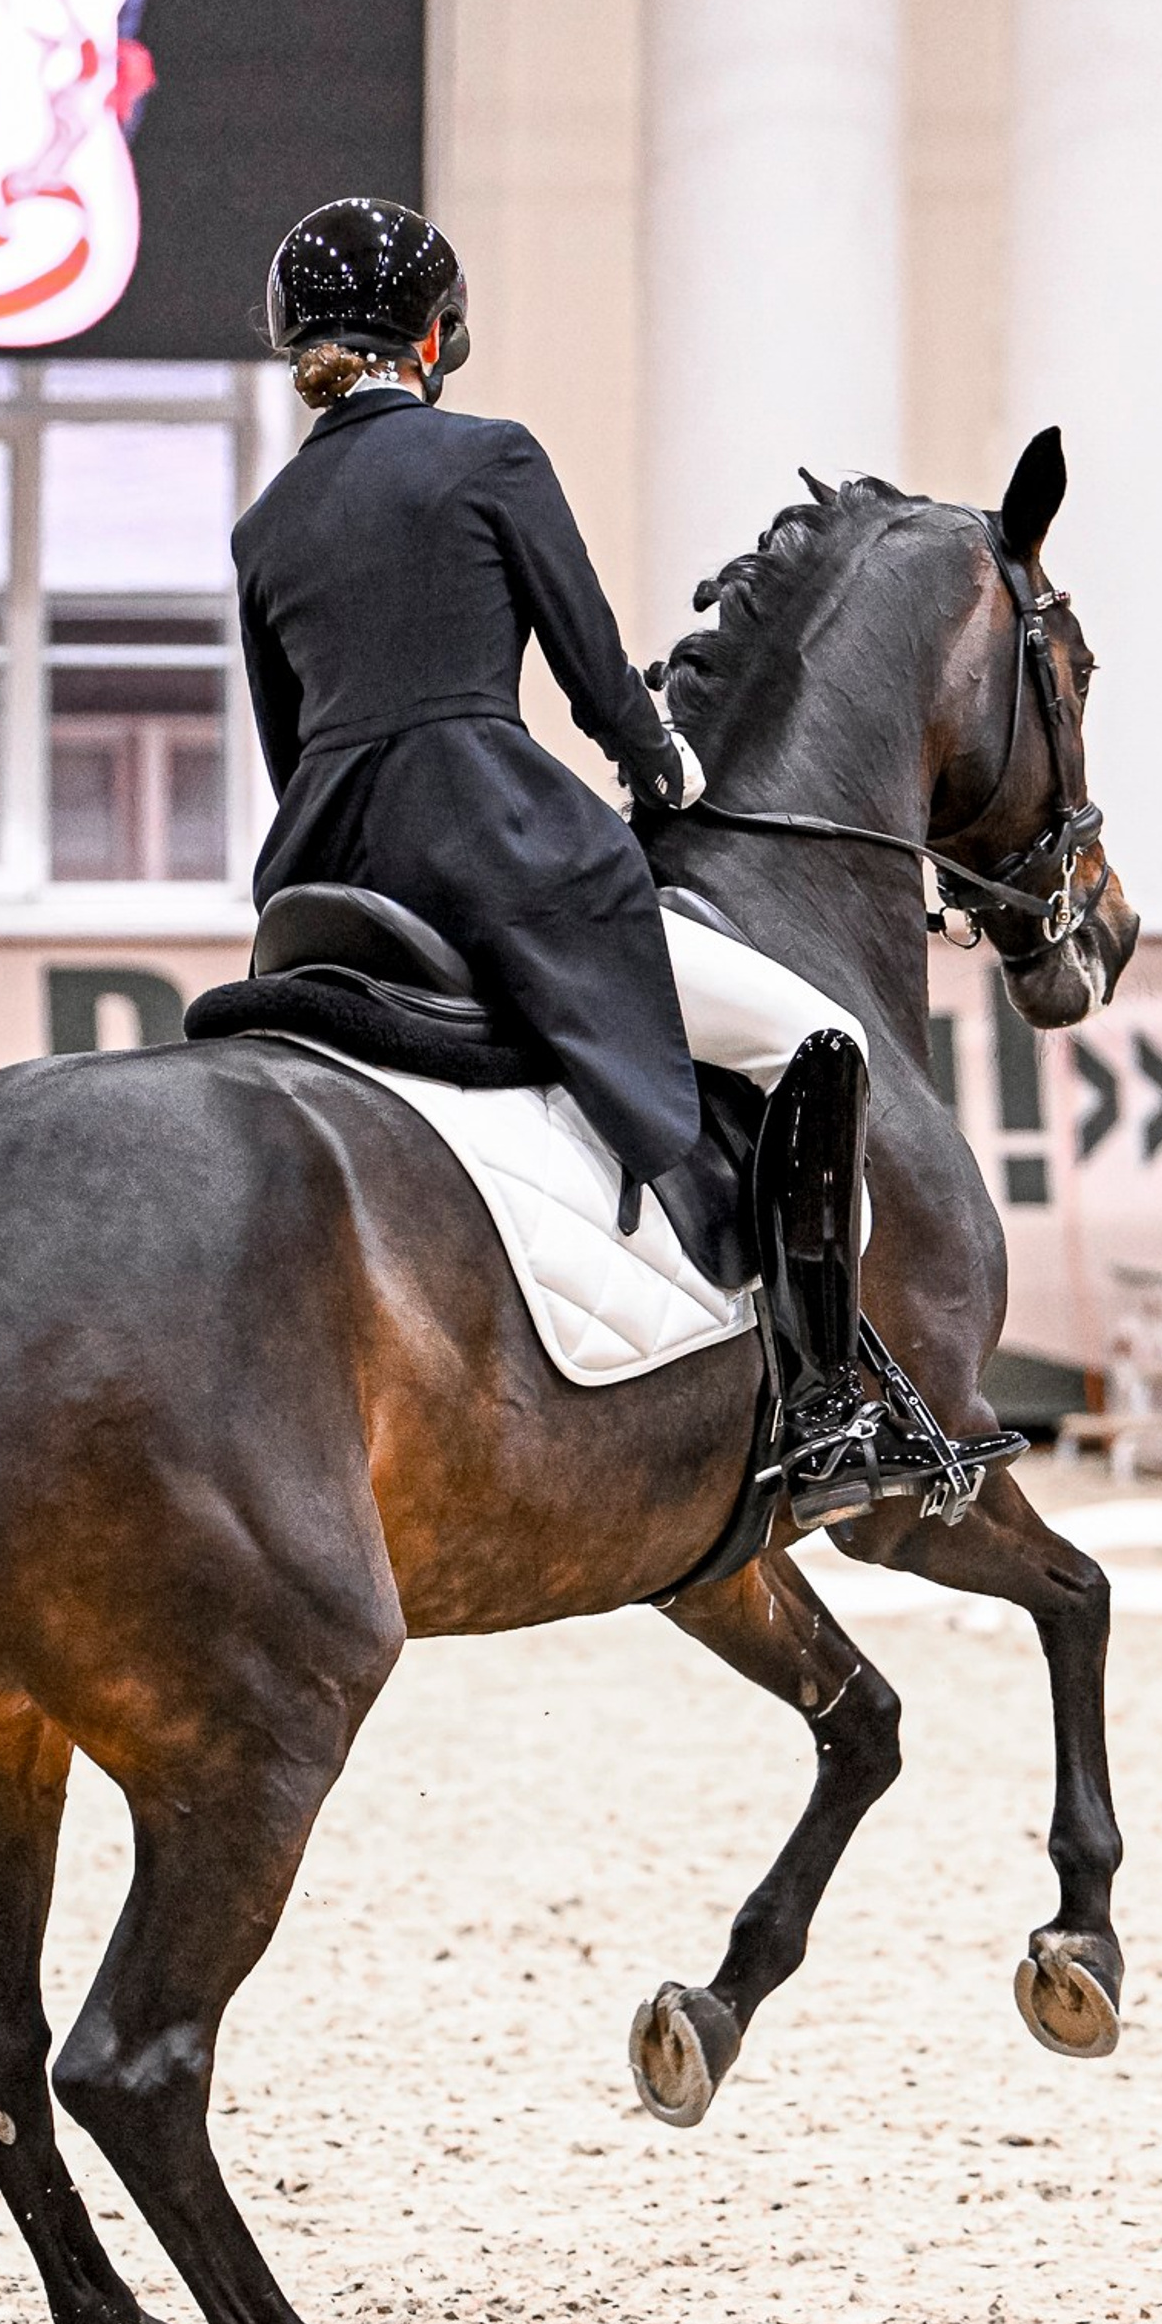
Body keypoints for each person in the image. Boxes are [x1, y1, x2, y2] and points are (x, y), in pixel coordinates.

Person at [234, 196, 1026, 1526]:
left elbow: (286, 741)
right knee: (816, 1043)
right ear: (442, 338)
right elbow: (593, 666)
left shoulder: (265, 525)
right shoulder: (487, 458)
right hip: (497, 856)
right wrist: (655, 761)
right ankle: (831, 1405)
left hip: (331, 884)